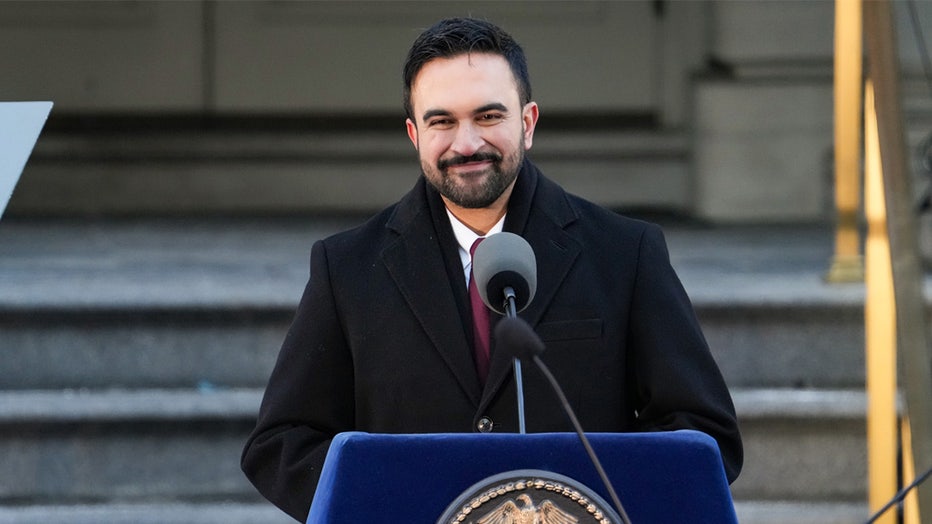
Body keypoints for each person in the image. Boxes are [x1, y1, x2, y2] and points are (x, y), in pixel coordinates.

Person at [241, 17, 742, 522]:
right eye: (441, 122)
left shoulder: (626, 253)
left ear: (528, 123)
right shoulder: (346, 268)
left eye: (487, 116)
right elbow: (281, 444)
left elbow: (705, 434)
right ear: (414, 134)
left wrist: (591, 510)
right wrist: (390, 503)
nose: (466, 144)